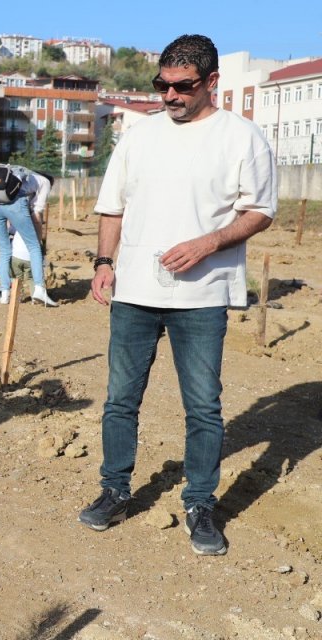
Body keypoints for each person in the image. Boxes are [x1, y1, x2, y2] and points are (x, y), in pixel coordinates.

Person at [78, 34, 276, 557]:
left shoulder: (242, 138)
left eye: (182, 87)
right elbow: (112, 206)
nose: (169, 96)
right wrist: (103, 264)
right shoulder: (139, 136)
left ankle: (201, 503)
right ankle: (114, 490)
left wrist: (208, 243)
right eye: (161, 85)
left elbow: (261, 210)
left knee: (204, 408)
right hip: (135, 294)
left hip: (204, 296)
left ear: (212, 82)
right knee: (121, 400)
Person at [0, 166, 57, 307]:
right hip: (15, 203)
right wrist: (39, 239)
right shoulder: (46, 182)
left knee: (4, 250)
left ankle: (5, 293)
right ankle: (39, 289)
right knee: (34, 247)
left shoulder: (27, 176)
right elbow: (37, 212)